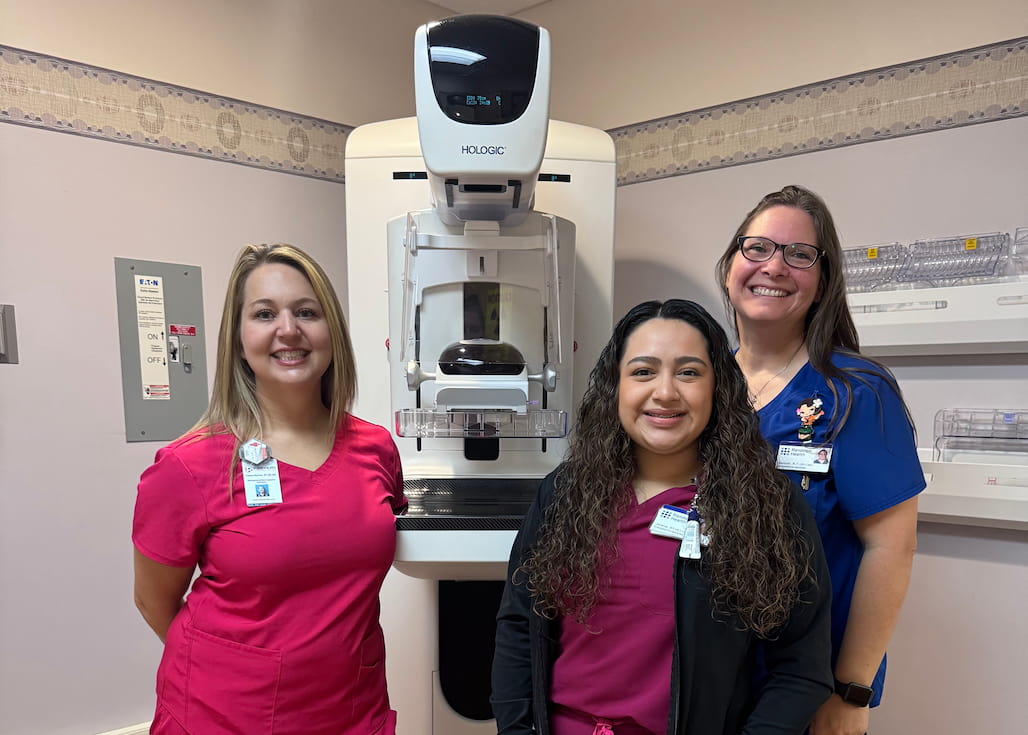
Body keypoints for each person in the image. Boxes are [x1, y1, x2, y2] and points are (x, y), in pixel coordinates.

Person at [491, 299, 833, 735]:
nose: (666, 391)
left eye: (689, 372)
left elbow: (801, 669)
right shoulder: (565, 492)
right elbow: (520, 626)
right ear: (615, 386)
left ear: (718, 388)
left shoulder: (767, 505)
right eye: (643, 371)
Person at [132, 243, 406, 735]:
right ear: (238, 341)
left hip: (350, 709)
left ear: (332, 333)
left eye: (306, 312)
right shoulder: (188, 466)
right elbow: (155, 602)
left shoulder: (376, 448)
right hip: (225, 716)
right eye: (264, 314)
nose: (288, 330)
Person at [716, 185, 924, 735]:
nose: (774, 267)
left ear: (823, 280)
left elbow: (891, 546)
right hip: (703, 675)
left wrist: (851, 691)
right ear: (730, 263)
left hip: (804, 686)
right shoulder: (701, 382)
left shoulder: (854, 390)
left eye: (799, 254)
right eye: (756, 247)